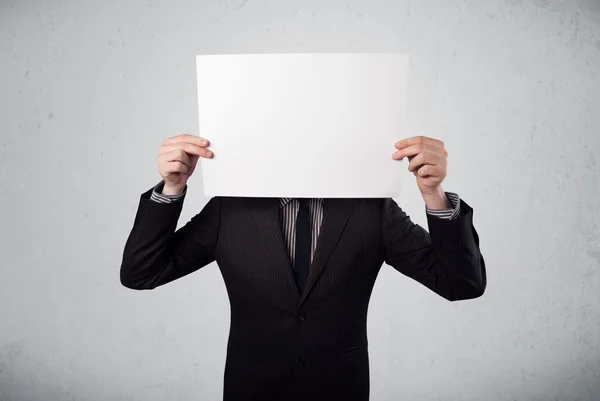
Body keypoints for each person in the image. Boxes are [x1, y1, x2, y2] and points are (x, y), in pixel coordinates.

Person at [120, 133, 486, 401]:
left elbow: (461, 284)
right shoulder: (230, 209)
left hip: (340, 388)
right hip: (252, 389)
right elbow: (142, 273)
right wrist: (172, 187)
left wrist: (434, 195)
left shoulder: (372, 209)